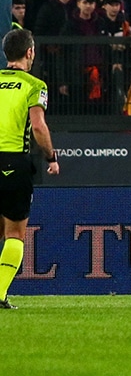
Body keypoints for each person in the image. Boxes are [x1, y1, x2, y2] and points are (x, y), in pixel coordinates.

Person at [0, 30, 59, 309]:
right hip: (13, 163)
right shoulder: (34, 85)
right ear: (30, 52)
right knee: (14, 233)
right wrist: (51, 156)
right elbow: (38, 126)